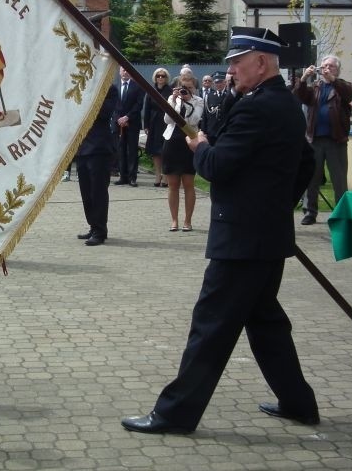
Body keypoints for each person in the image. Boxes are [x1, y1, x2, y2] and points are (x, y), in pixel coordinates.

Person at [121, 26, 318, 435]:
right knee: (266, 324)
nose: (231, 70)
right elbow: (305, 162)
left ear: (260, 63)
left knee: (211, 326)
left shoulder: (255, 108)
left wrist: (200, 148)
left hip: (242, 242)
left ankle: (174, 415)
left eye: (236, 62)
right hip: (267, 236)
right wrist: (280, 206)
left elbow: (217, 168)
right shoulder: (284, 104)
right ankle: (299, 403)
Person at [292, 55, 352, 224]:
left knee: (339, 179)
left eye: (330, 66)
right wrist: (304, 78)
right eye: (324, 66)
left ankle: (342, 212)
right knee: (311, 177)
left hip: (336, 140)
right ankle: (310, 212)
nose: (326, 69)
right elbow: (300, 96)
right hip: (315, 139)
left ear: (337, 69)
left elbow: (348, 94)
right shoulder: (316, 87)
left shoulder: (343, 86)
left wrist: (333, 79)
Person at [76, 84, 117, 246]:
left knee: (98, 191)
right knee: (86, 192)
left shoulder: (109, 89)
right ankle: (93, 226)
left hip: (99, 147)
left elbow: (104, 114)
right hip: (82, 147)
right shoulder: (81, 87)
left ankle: (100, 230)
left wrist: (87, 98)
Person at [161, 76, 203, 231]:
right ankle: (174, 220)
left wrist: (188, 100)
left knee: (188, 183)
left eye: (189, 88)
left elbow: (194, 120)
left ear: (194, 89)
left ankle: (187, 220)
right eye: (183, 88)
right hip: (172, 142)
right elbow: (167, 120)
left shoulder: (198, 101)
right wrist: (173, 100)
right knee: (172, 185)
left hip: (188, 143)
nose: (185, 91)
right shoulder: (173, 99)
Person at [113, 67, 144, 187]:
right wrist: (119, 119)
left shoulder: (137, 87)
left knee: (132, 150)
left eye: (127, 70)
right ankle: (123, 176)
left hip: (132, 123)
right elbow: (114, 105)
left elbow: (139, 104)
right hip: (118, 124)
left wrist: (127, 117)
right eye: (123, 70)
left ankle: (132, 177)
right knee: (120, 150)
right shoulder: (115, 86)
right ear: (120, 72)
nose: (125, 72)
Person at [143, 68, 172, 187]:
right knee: (155, 151)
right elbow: (147, 108)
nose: (160, 78)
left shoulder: (170, 91)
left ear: (166, 78)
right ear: (155, 77)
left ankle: (165, 176)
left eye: (163, 76)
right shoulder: (151, 90)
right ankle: (157, 175)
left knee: (165, 150)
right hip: (154, 123)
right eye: (158, 76)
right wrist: (146, 125)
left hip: (166, 123)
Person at [200, 71, 228, 139]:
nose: (218, 84)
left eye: (220, 82)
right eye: (216, 82)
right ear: (213, 84)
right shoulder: (209, 96)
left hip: (225, 131)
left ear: (225, 82)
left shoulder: (229, 95)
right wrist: (204, 131)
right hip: (211, 131)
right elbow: (205, 115)